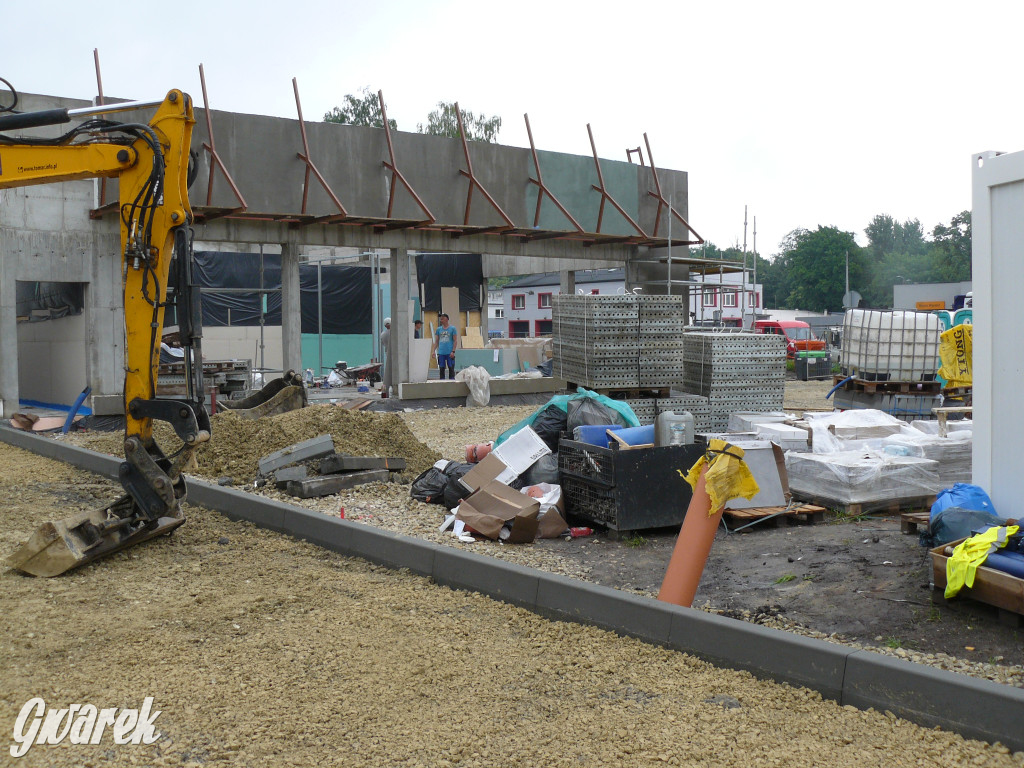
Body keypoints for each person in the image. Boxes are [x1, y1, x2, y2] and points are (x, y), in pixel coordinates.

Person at [431, 313, 458, 380]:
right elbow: (436, 341)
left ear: (447, 319)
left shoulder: (452, 329)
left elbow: (455, 340)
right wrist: (433, 351)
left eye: (443, 318)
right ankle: (442, 382)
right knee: (441, 369)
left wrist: (453, 351)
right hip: (441, 352)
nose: (441, 320)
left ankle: (451, 382)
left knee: (451, 368)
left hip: (449, 352)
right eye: (441, 318)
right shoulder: (439, 329)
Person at [379, 317, 392, 398]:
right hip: (396, 354)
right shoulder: (394, 332)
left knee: (388, 370)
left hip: (388, 353)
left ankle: (386, 388)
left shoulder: (383, 334)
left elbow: (383, 344)